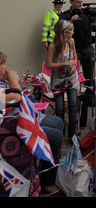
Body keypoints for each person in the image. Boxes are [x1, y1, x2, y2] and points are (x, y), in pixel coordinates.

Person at [0, 51, 64, 195]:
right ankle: (47, 182)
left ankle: (47, 167)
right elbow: (14, 97)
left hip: (24, 120)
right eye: (3, 64)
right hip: (14, 129)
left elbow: (19, 94)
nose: (6, 67)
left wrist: (21, 84)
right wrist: (13, 81)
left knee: (58, 122)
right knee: (56, 137)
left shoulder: (3, 82)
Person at [45, 20, 79, 140]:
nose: (74, 33)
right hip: (58, 79)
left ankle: (72, 133)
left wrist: (74, 66)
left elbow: (74, 56)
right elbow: (48, 64)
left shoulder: (71, 41)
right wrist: (63, 63)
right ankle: (60, 132)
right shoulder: (53, 46)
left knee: (73, 104)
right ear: (65, 32)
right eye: (72, 31)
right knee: (60, 108)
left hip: (71, 77)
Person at [60, 0, 94, 84]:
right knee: (72, 76)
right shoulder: (65, 15)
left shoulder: (86, 14)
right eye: (78, 2)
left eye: (82, 2)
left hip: (87, 49)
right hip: (73, 50)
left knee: (89, 77)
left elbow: (93, 28)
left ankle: (89, 95)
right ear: (71, 1)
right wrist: (70, 21)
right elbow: (60, 30)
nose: (80, 4)